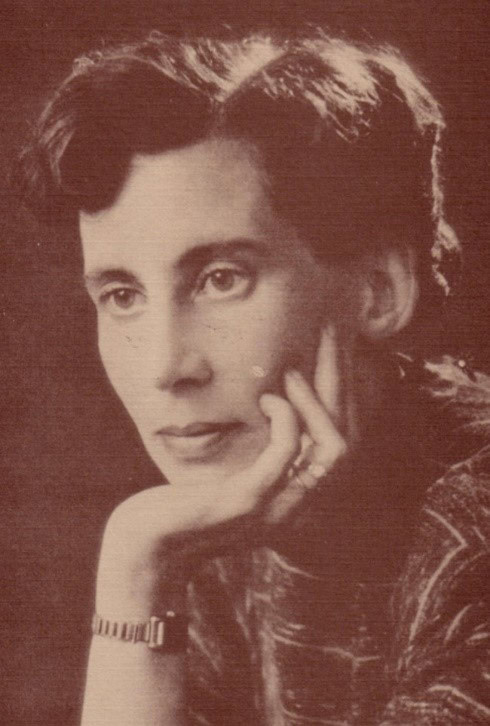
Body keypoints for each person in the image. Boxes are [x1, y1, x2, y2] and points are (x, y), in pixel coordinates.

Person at [18, 28, 490, 725]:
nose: (165, 368)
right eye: (122, 296)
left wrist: (142, 571)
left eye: (221, 279)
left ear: (378, 291)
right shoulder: (220, 522)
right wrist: (139, 569)